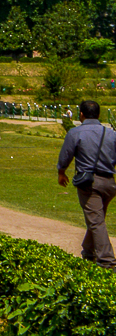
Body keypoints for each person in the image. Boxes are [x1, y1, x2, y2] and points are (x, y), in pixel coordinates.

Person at [57, 100, 116, 268]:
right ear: (98, 115)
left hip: (89, 183)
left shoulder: (76, 132)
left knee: (96, 221)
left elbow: (65, 155)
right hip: (110, 182)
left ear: (81, 114)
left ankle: (107, 261)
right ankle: (88, 251)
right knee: (97, 217)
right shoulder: (111, 133)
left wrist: (61, 173)